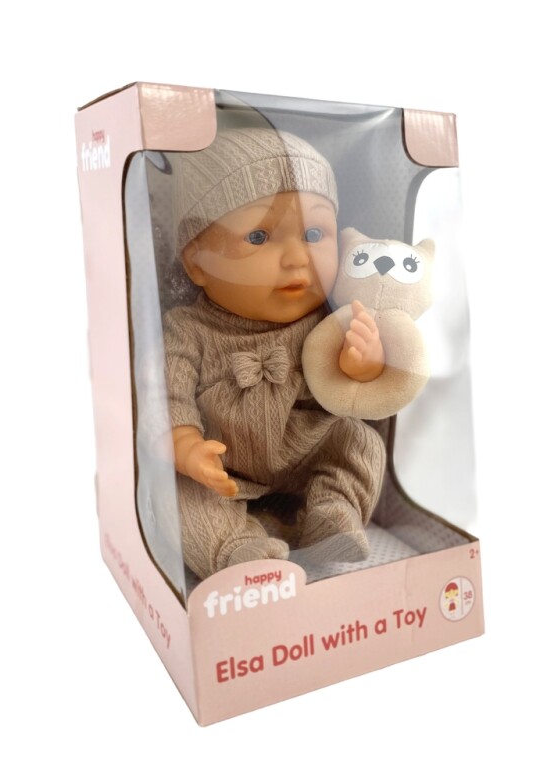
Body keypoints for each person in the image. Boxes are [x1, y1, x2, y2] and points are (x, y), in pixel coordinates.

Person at [164, 127, 386, 579]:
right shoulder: (186, 331)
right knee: (178, 495)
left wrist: (363, 365)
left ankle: (332, 514)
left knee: (359, 441)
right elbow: (167, 394)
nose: (296, 258)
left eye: (313, 233)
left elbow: (356, 394)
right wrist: (186, 446)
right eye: (260, 237)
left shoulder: (327, 320)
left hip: (306, 451)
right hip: (223, 466)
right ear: (197, 262)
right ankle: (237, 551)